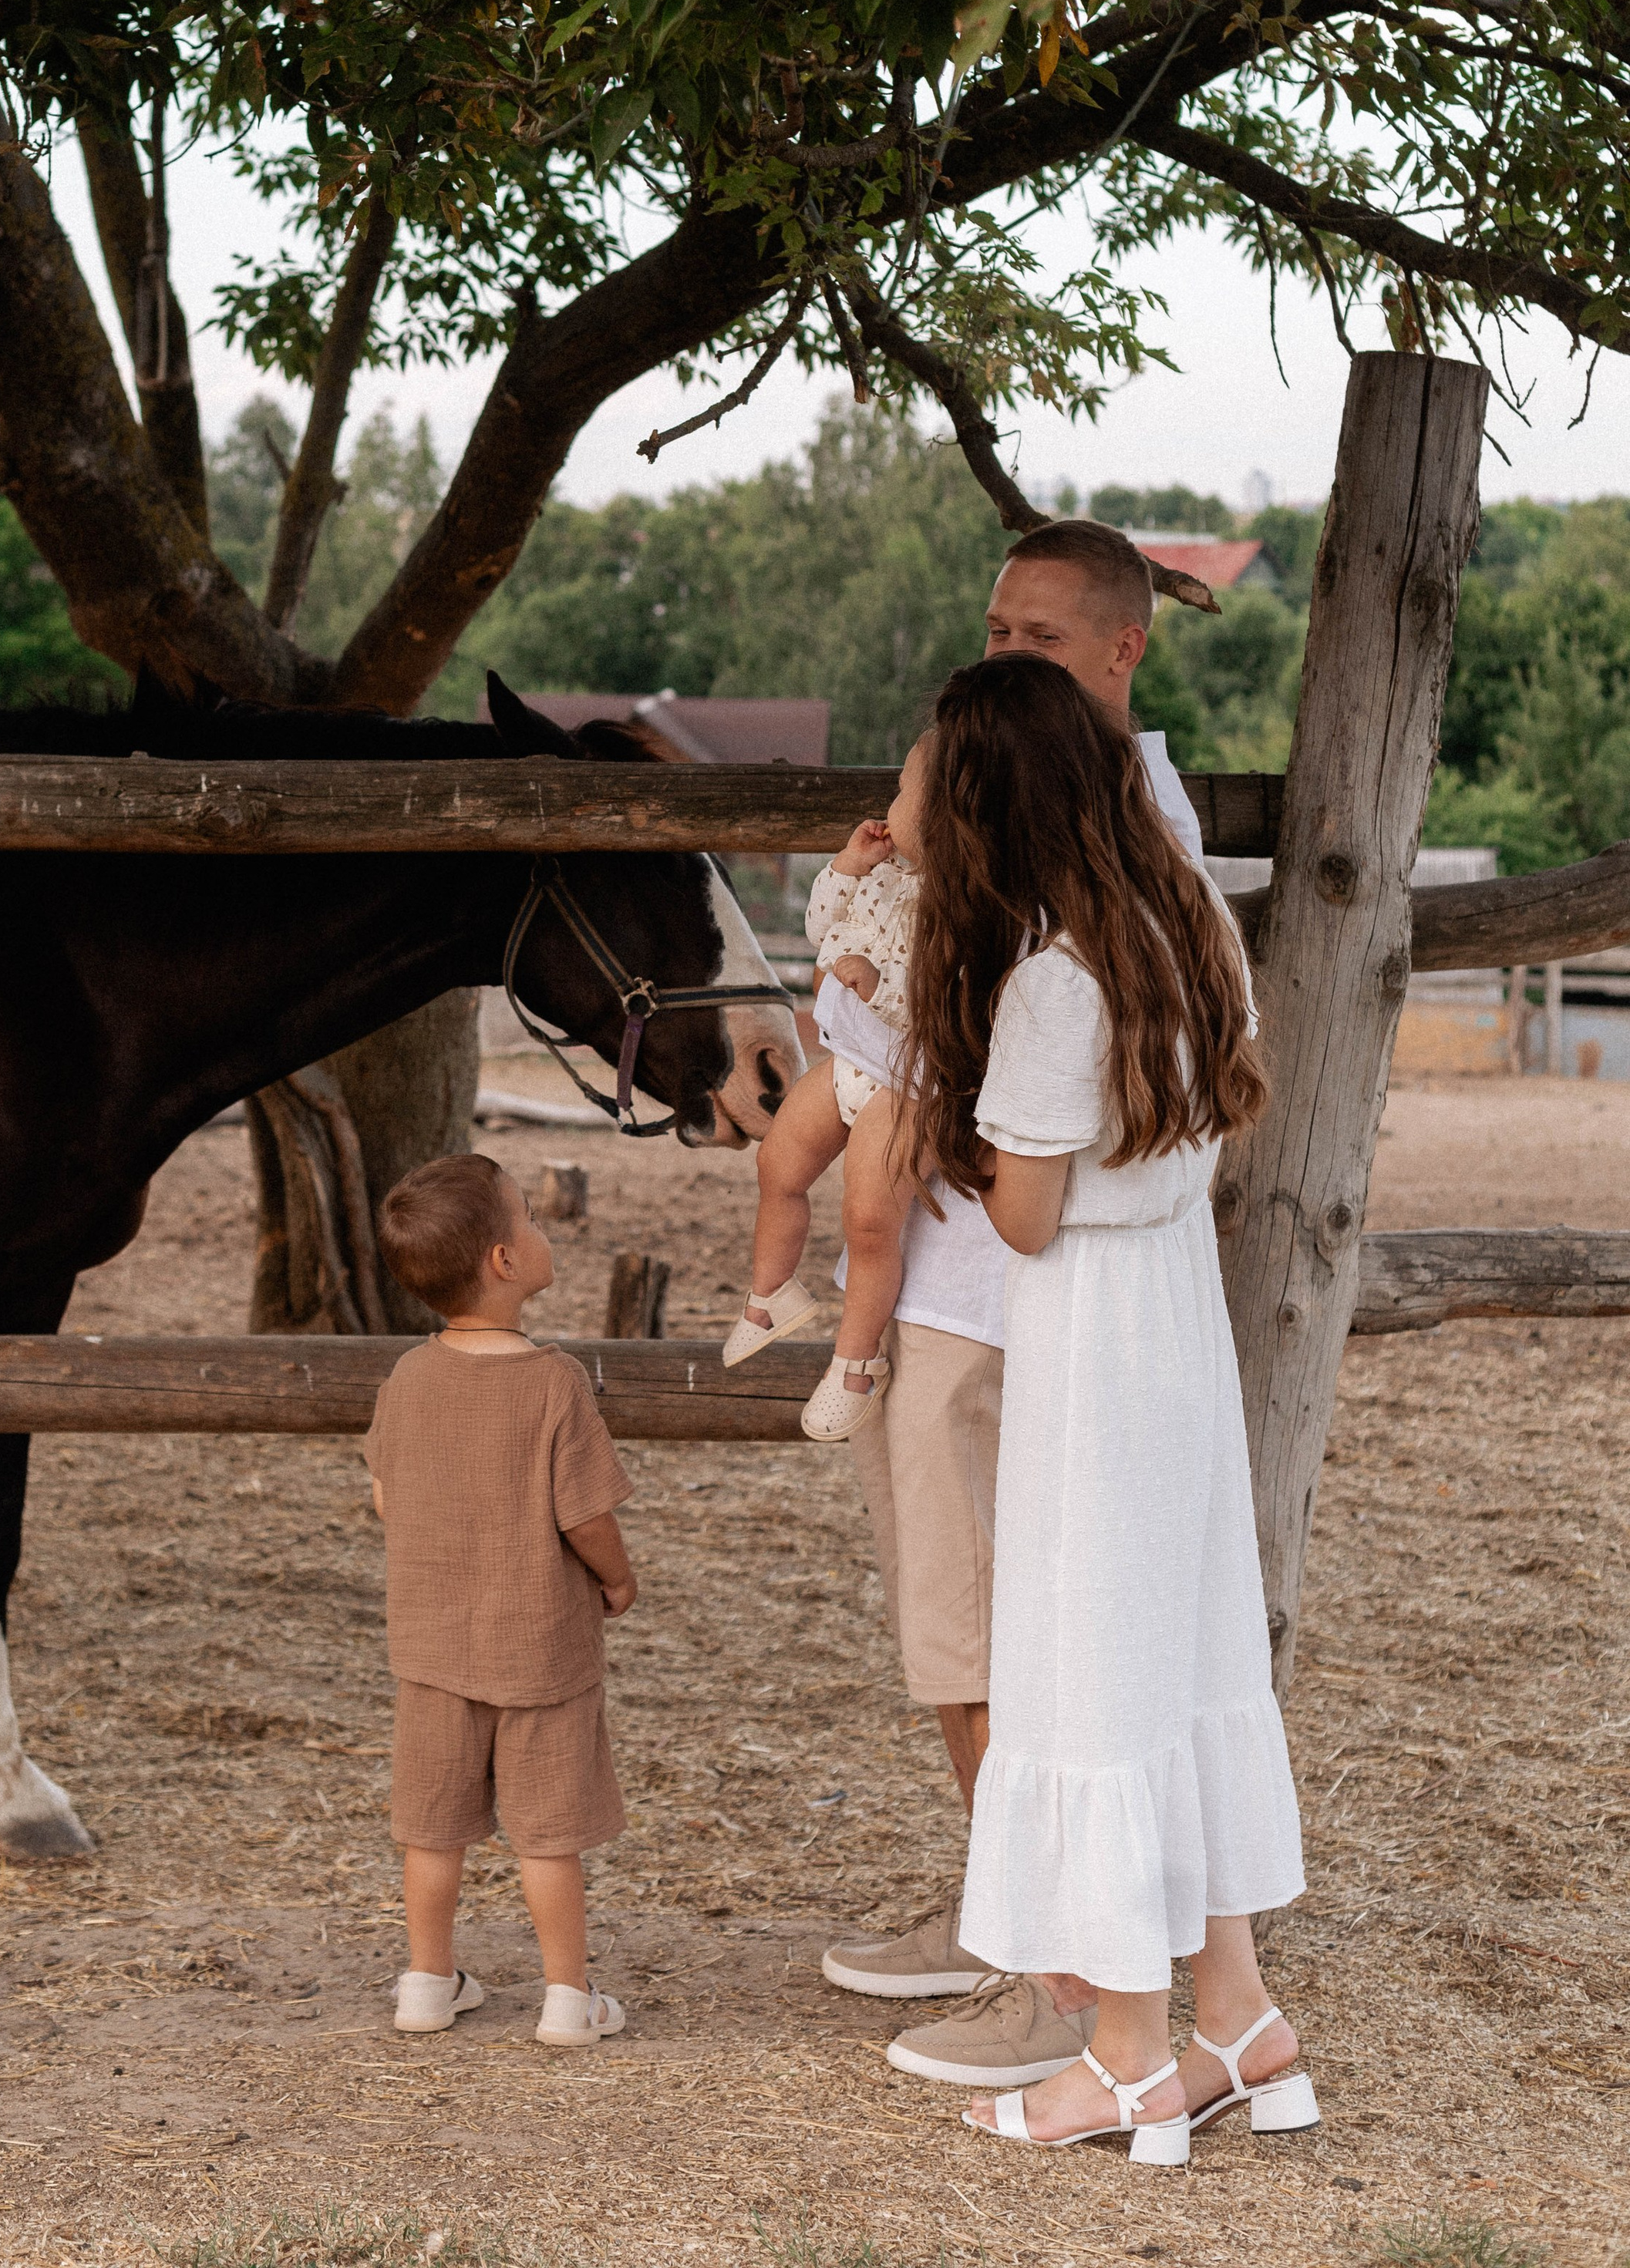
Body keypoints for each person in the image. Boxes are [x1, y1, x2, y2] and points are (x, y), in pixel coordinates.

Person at [817, 520, 1209, 2095]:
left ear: (1122, 651)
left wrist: (867, 1014)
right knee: (951, 1624)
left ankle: (1057, 1968)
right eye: (996, 630)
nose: (1005, 658)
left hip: (1002, 1295)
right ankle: (1007, 1903)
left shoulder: (1109, 838)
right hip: (954, 1276)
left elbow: (991, 1062)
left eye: (1038, 639)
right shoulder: (1007, 810)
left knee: (989, 1635)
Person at [912, 654, 1312, 2162]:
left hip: (1088, 1343)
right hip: (1177, 1326)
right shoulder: (1189, 923)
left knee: (1087, 1677)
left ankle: (1132, 2057)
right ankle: (1240, 2017)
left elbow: (1023, 1219)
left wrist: (952, 1134)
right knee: (1181, 1662)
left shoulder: (1049, 987)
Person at [365, 1153, 637, 2049]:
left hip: (433, 1648)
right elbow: (585, 1514)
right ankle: (566, 1999)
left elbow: (386, 1496)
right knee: (547, 1835)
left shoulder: (408, 1379)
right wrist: (617, 1577)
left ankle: (426, 1982)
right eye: (529, 1218)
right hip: (540, 1652)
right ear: (504, 1262)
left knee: (431, 1829)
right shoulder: (553, 1382)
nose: (541, 1230)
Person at [723, 747, 925, 1441]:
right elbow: (819, 929)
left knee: (869, 1220)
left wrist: (880, 985)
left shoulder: (974, 901)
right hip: (851, 1060)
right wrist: (847, 867)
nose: (892, 801)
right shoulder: (885, 874)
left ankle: (857, 1363)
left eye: (906, 789)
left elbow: (962, 998)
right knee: (778, 1164)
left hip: (911, 1082)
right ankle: (771, 1293)